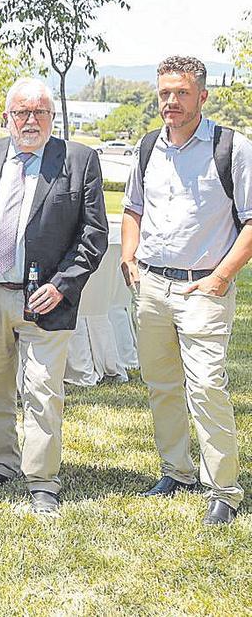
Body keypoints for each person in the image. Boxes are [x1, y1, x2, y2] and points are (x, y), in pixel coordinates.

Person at [0, 77, 107, 515]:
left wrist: (61, 285)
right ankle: (3, 460)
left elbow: (93, 234)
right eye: (21, 112)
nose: (30, 120)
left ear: (52, 117)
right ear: (6, 116)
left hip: (46, 297)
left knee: (42, 388)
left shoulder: (78, 160)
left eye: (39, 112)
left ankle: (42, 479)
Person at [121, 56, 252, 525]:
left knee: (207, 387)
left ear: (202, 96)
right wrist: (128, 257)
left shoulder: (233, 148)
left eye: (180, 93)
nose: (170, 102)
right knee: (161, 386)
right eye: (164, 93)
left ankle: (224, 488)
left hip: (204, 287)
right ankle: (176, 471)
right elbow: (133, 207)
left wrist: (221, 277)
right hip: (152, 286)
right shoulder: (148, 146)